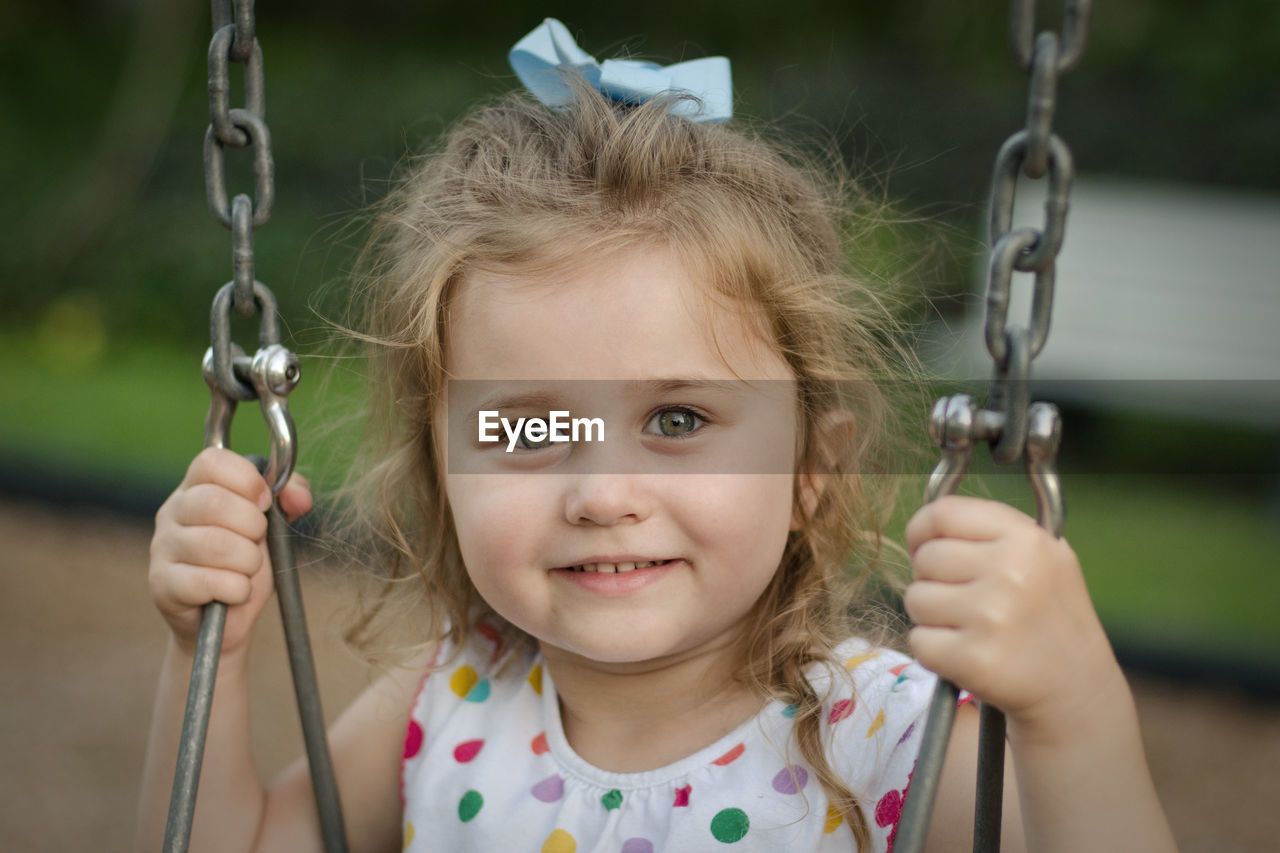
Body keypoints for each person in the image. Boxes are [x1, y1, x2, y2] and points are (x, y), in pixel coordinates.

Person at [138, 20, 1177, 853]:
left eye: (676, 419)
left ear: (811, 467)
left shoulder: (882, 741)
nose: (601, 491)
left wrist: (1074, 705)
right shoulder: (446, 706)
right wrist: (204, 654)